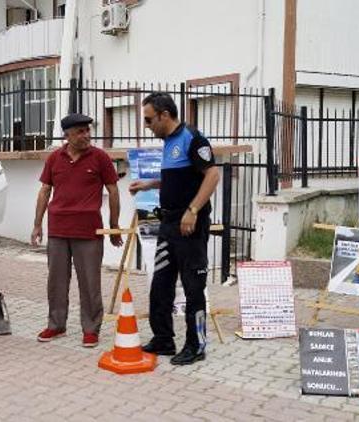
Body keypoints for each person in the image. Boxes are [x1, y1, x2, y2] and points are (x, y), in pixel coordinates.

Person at [129, 92, 220, 365]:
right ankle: (164, 339)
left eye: (149, 120)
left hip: (189, 226)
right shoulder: (168, 142)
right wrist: (149, 185)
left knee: (193, 288)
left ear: (164, 115)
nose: (147, 126)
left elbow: (212, 175)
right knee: (161, 286)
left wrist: (193, 211)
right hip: (168, 225)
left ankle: (196, 345)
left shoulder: (192, 138)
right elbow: (176, 179)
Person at [31, 113, 123, 348]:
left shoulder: (100, 157)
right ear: (67, 135)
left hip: (89, 231)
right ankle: (56, 325)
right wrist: (37, 224)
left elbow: (113, 191)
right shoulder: (54, 158)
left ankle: (91, 329)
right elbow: (44, 191)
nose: (86, 135)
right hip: (59, 229)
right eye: (80, 131)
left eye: (87, 130)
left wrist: (114, 227)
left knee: (90, 282)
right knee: (56, 281)